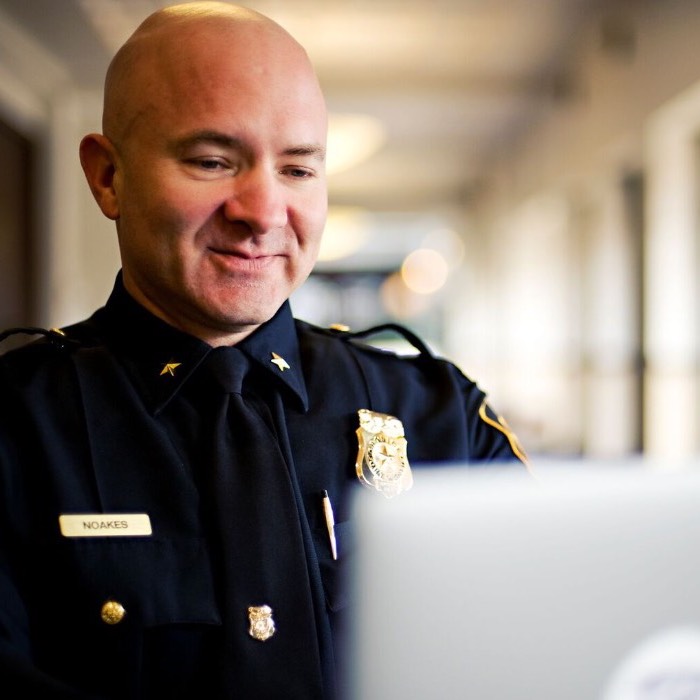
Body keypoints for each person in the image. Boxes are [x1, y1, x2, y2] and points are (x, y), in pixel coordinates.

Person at [0, 2, 527, 698]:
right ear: (108, 176)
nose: (262, 211)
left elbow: (529, 657)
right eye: (213, 161)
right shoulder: (15, 430)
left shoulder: (439, 419)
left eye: (300, 171)